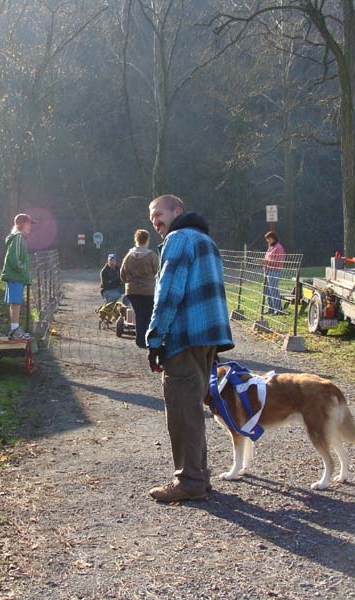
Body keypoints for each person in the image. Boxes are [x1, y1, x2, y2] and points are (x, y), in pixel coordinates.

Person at [146, 195, 234, 502]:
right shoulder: (205, 241)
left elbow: (168, 293)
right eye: (151, 217)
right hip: (207, 337)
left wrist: (155, 339)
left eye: (159, 214)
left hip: (184, 336)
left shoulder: (178, 239)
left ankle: (189, 480)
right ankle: (199, 475)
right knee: (193, 408)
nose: (155, 221)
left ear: (177, 211)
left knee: (183, 410)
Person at [120, 229, 159, 349]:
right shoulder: (152, 256)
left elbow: (122, 273)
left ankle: (139, 339)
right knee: (148, 314)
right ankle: (146, 339)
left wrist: (129, 282)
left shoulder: (128, 256)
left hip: (132, 290)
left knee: (138, 313)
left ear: (135, 239)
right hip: (148, 290)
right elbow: (158, 271)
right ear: (147, 240)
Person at [1, 213, 35, 339]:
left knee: (15, 303)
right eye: (28, 223)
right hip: (16, 276)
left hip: (17, 276)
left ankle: (14, 328)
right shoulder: (18, 237)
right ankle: (14, 329)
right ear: (21, 224)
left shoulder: (20, 238)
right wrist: (22, 269)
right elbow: (13, 258)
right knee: (15, 303)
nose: (30, 226)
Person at [263, 230, 286, 314]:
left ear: (273, 238)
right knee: (267, 290)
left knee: (273, 290)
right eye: (267, 239)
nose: (267, 240)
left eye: (269, 238)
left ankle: (278, 309)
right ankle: (271, 308)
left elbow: (279, 261)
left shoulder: (278, 248)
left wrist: (267, 262)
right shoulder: (271, 247)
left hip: (274, 271)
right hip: (268, 270)